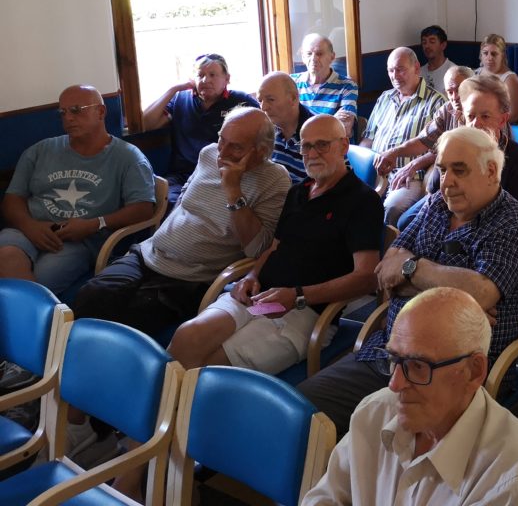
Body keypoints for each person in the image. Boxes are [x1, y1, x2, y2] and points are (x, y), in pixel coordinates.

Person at [297, 127, 518, 436]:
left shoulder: (511, 223)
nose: (446, 182)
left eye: (459, 170)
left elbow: (480, 293)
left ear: (491, 171)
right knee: (302, 412)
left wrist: (410, 270)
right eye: (442, 169)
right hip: (388, 354)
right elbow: (386, 271)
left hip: (453, 372)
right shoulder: (437, 204)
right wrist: (455, 294)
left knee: (387, 438)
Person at [167, 115, 382, 373]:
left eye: (322, 145)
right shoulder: (298, 192)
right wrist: (251, 275)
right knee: (187, 336)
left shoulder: (363, 201)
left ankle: (185, 399)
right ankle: (164, 400)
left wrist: (298, 295)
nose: (312, 154)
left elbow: (367, 278)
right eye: (306, 146)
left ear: (343, 146)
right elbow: (274, 247)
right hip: (259, 297)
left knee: (213, 368)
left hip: (305, 312)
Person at [301, 287, 518, 506]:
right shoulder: (374, 412)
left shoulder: (512, 475)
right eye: (393, 359)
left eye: (418, 366)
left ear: (474, 371)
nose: (395, 384)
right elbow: (326, 498)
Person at [74, 106, 290, 335]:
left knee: (125, 322)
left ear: (261, 151)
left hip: (190, 279)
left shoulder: (275, 180)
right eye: (222, 140)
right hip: (149, 254)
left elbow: (256, 249)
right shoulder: (208, 154)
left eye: (236, 147)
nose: (222, 153)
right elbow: (183, 199)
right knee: (90, 295)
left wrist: (233, 191)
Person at [0, 86, 155, 294]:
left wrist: (95, 224)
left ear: (101, 112)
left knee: (43, 277)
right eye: (62, 112)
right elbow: (12, 199)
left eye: (76, 110)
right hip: (28, 229)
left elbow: (144, 208)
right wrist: (29, 226)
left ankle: (28, 310)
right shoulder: (40, 150)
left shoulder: (128, 158)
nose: (68, 118)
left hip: (79, 241)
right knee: (7, 257)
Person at [142, 53, 258, 205]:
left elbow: (263, 131)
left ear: (227, 78)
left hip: (221, 174)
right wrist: (174, 89)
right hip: (183, 175)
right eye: (200, 75)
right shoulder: (180, 99)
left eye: (212, 75)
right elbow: (147, 123)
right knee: (168, 203)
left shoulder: (241, 101)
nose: (205, 80)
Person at [364, 47, 447, 225]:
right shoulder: (384, 98)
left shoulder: (437, 102)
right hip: (374, 171)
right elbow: (368, 138)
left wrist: (413, 166)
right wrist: (361, 166)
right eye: (390, 70)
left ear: (416, 68)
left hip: (409, 175)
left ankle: (389, 243)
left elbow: (442, 150)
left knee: (392, 208)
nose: (395, 75)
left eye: (400, 69)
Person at [376, 65, 474, 198]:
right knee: (413, 213)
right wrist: (394, 152)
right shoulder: (447, 110)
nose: (454, 97)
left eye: (459, 90)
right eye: (450, 92)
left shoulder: (483, 114)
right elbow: (423, 140)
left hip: (472, 180)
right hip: (448, 182)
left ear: (473, 87)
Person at [458, 74, 518, 212]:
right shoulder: (454, 151)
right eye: (470, 116)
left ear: (502, 120)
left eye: (485, 116)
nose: (475, 124)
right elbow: (433, 202)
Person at [292, 33, 358, 138]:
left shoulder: (347, 85)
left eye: (319, 54)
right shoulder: (291, 82)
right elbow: (282, 122)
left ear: (332, 57)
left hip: (328, 147)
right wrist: (332, 120)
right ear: (303, 57)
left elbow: (345, 130)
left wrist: (301, 125)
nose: (313, 58)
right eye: (309, 54)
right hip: (296, 146)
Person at [258, 71, 314, 183]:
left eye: (270, 99)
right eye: (260, 101)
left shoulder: (319, 132)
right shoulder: (264, 129)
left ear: (293, 98)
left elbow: (337, 185)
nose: (263, 108)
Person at [475, 33, 518, 125]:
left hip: (500, 126)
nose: (489, 58)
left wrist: (487, 123)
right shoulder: (475, 73)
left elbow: (513, 116)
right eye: (485, 53)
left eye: (494, 54)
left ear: (502, 55)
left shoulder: (511, 80)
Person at [418, 24, 457, 94]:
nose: (427, 46)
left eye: (432, 42)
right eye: (424, 42)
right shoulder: (419, 72)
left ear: (443, 45)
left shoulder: (454, 72)